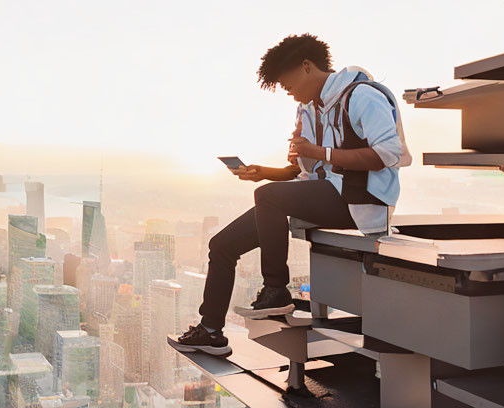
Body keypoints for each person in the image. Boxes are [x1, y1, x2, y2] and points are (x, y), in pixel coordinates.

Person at [173, 34, 410, 356]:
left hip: (362, 200)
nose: (288, 92)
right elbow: (307, 176)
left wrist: (319, 152)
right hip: (325, 194)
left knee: (269, 196)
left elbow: (388, 155)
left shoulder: (362, 96)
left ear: (307, 66)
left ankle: (275, 290)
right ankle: (210, 331)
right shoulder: (309, 110)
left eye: (288, 84)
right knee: (222, 245)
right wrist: (266, 172)